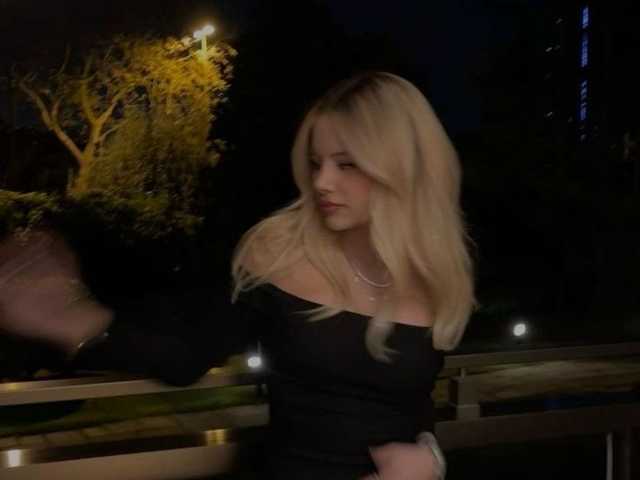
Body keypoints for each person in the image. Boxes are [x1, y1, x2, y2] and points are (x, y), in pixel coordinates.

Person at [0, 71, 475, 479]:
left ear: (402, 168)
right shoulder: (279, 252)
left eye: (346, 164)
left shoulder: (437, 274)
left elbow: (412, 401)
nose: (322, 181)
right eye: (316, 163)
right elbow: (184, 353)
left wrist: (430, 457)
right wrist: (72, 319)